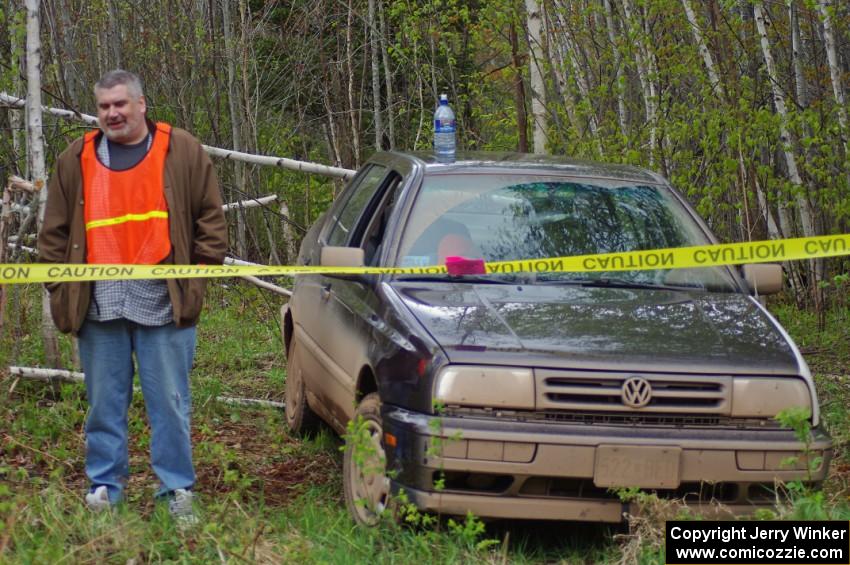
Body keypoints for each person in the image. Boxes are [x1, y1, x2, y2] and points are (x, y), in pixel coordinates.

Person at [37, 70, 227, 523]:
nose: (113, 113)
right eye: (104, 106)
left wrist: (195, 280)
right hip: (98, 306)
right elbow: (54, 234)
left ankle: (177, 491)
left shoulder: (181, 150)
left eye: (121, 104)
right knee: (104, 405)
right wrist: (60, 287)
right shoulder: (76, 158)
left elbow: (210, 222)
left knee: (171, 405)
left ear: (141, 104)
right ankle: (105, 488)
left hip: (164, 304)